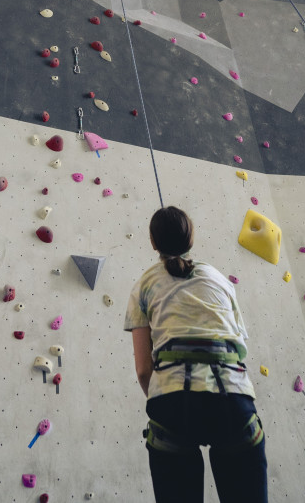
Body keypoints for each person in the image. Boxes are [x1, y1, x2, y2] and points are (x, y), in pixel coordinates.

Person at [124, 205, 268, 503]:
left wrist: (165, 402)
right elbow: (239, 344)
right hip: (232, 400)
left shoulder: (143, 286)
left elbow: (142, 370)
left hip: (173, 404)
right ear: (192, 238)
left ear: (153, 243)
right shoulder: (220, 280)